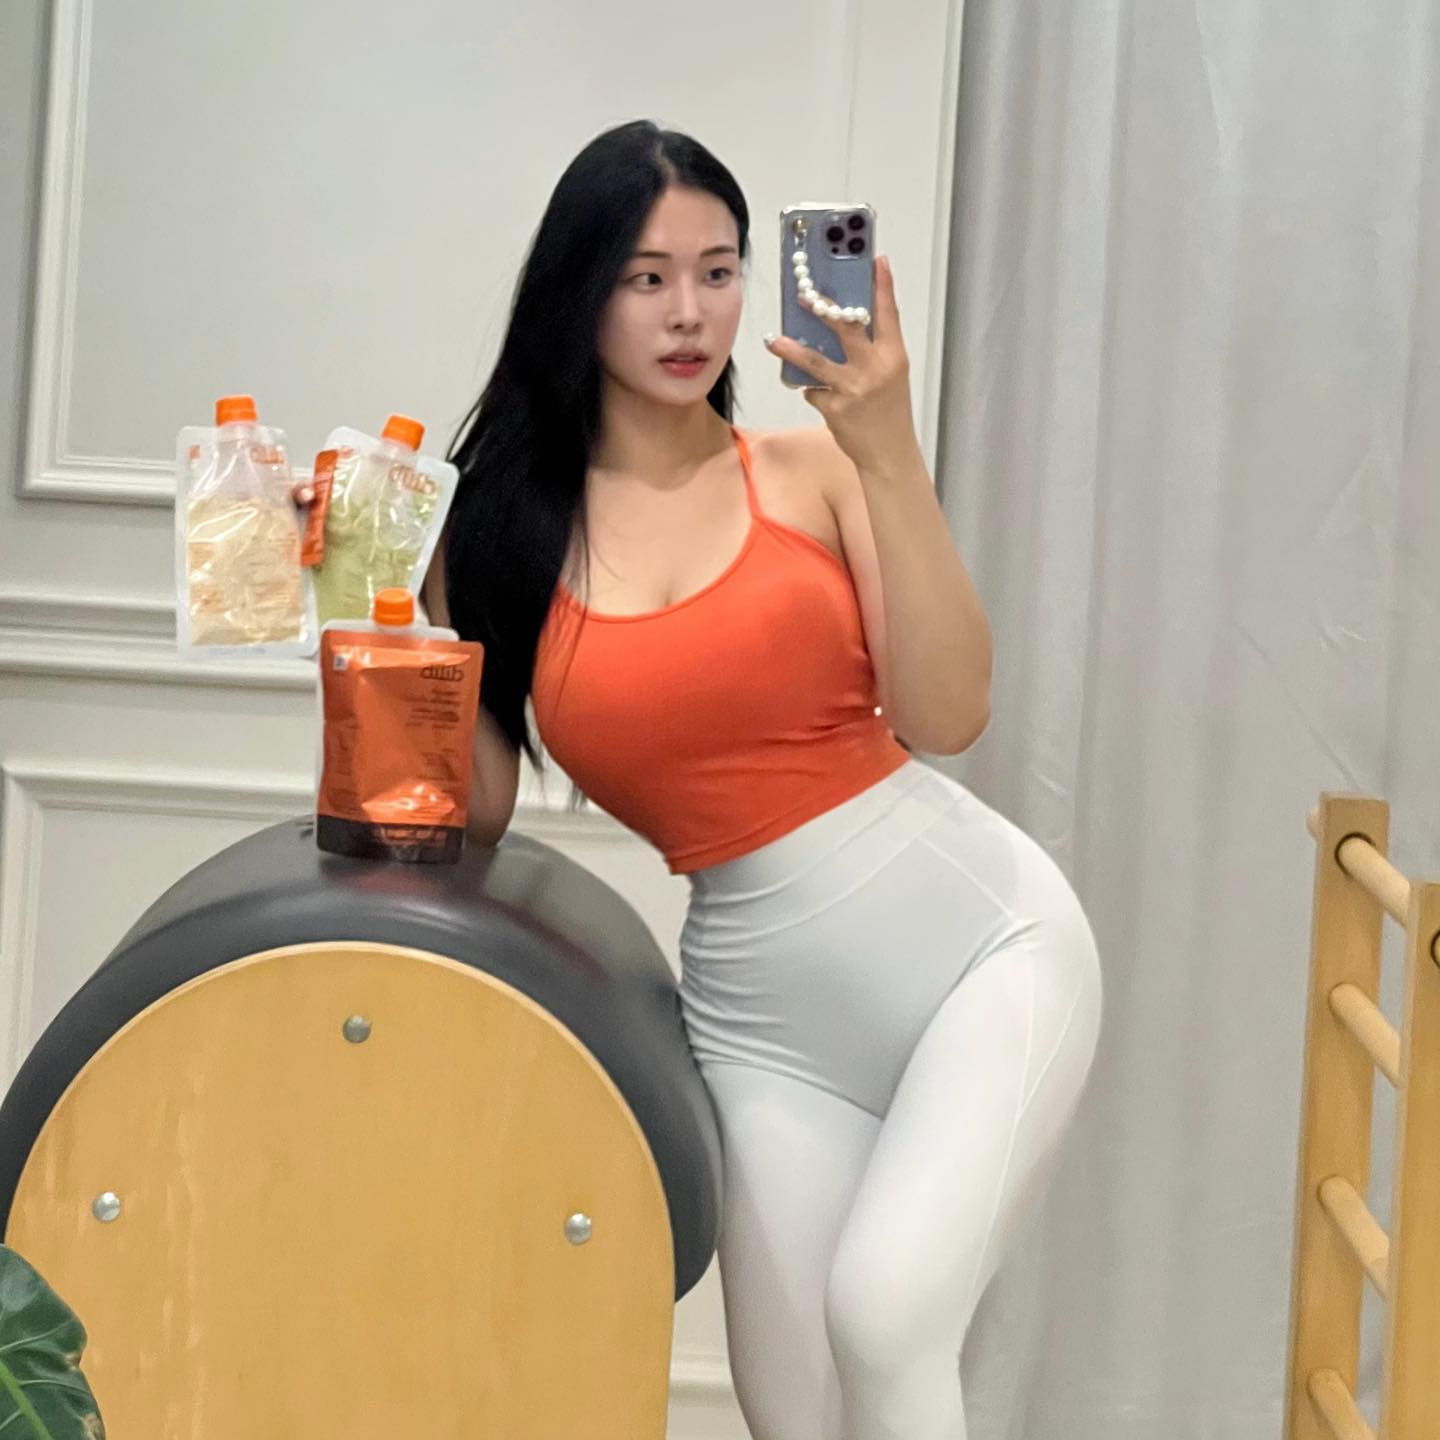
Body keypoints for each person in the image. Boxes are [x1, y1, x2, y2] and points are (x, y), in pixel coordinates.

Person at [315, 119, 1102, 1440]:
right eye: (646, 277)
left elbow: (950, 714)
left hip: (985, 951)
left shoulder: (817, 470)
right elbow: (476, 808)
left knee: (888, 1316)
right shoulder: (500, 535)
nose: (690, 312)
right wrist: (370, 609)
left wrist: (892, 451)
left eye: (719, 271)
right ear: (580, 293)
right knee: (797, 1414)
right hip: (763, 1026)